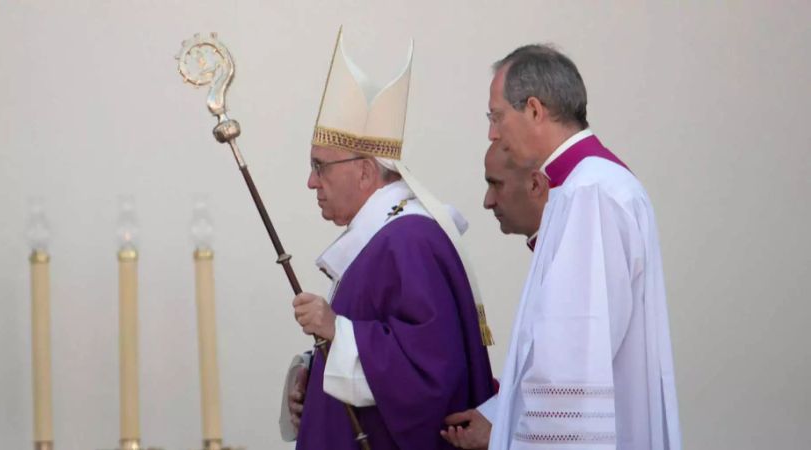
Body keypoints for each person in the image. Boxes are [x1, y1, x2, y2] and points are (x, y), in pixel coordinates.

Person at [284, 29, 495, 450]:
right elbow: (381, 338)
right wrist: (314, 367)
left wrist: (335, 331)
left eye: (320, 166)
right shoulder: (384, 239)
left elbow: (429, 373)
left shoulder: (408, 240)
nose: (311, 182)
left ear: (364, 171)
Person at [482, 44, 681, 450]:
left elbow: (570, 362)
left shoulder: (589, 193)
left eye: (497, 116)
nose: (493, 133)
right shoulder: (584, 186)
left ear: (534, 110)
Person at [440, 142, 550, 450]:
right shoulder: (550, 249)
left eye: (496, 185)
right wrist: (492, 415)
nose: (487, 202)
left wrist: (500, 436)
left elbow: (568, 384)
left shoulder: (571, 260)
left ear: (535, 184)